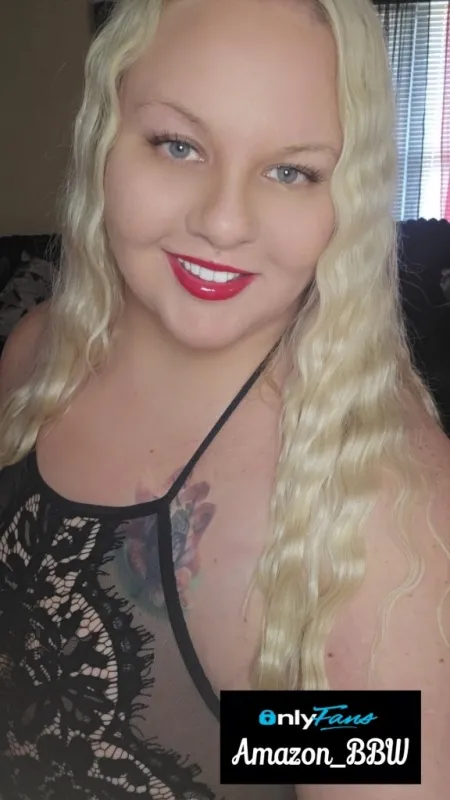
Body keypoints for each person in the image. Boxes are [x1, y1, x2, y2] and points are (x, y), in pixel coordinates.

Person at [0, 0, 449, 797]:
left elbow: (278, 752)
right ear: (104, 136)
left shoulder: (369, 501)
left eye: (291, 171)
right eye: (178, 145)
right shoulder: (38, 354)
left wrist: (251, 725)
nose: (224, 221)